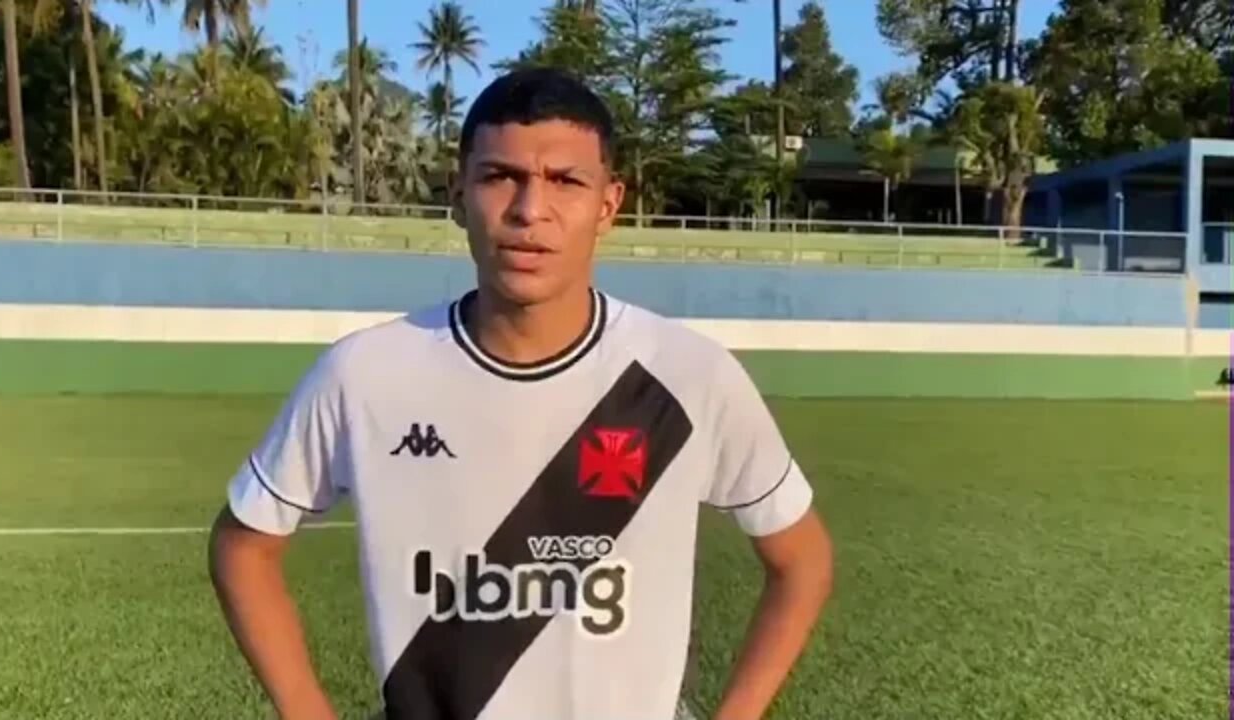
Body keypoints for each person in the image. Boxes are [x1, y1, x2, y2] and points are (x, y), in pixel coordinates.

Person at [208, 67, 834, 720]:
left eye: (566, 181)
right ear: (458, 194)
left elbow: (803, 561)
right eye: (500, 176)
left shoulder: (686, 376)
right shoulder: (365, 374)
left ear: (609, 204)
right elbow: (243, 545)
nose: (530, 210)